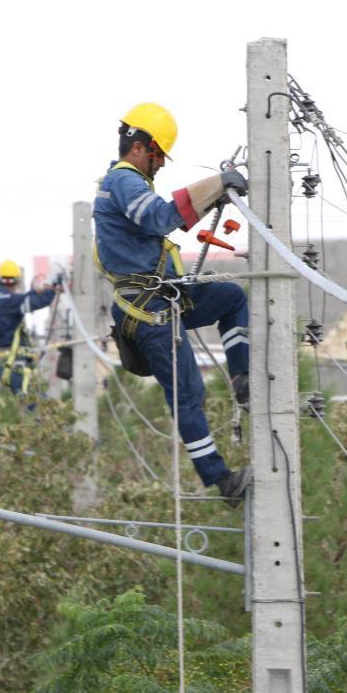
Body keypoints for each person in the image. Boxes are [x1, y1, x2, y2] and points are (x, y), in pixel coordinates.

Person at [93, 102, 252, 506]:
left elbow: (158, 222)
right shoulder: (125, 181)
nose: (161, 163)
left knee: (231, 297)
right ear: (142, 147)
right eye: (159, 154)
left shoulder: (128, 185)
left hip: (165, 297)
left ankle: (243, 381)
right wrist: (217, 184)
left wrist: (214, 195)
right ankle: (221, 481)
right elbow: (161, 219)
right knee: (187, 394)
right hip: (151, 311)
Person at [0, 260, 59, 395]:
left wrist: (34, 291)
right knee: (37, 406)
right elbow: (39, 301)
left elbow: (23, 298)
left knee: (25, 406)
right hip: (12, 365)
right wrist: (52, 287)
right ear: (17, 281)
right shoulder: (12, 300)